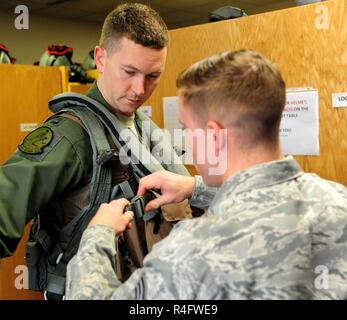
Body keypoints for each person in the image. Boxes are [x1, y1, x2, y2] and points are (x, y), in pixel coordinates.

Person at [66, 49, 347, 299]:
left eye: (188, 131)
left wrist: (98, 234)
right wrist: (195, 187)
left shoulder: (193, 252)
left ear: (213, 137)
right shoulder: (338, 201)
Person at [0, 3, 193, 298]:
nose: (139, 89)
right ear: (101, 59)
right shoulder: (69, 137)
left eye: (152, 76)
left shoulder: (141, 127)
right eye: (129, 71)